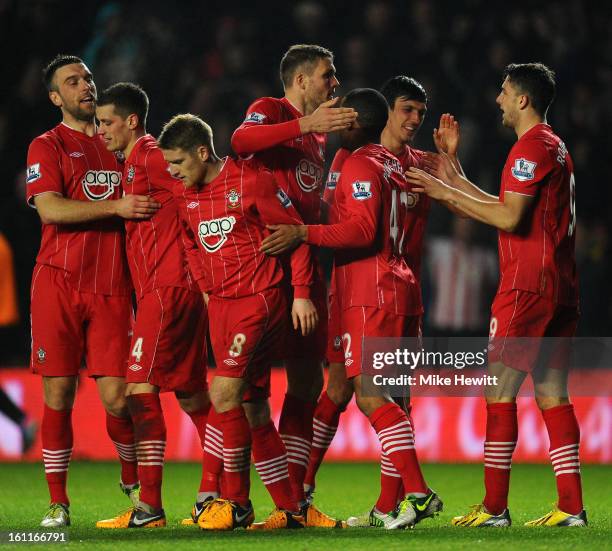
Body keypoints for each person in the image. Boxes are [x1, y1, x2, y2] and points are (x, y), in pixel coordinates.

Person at [406, 62, 586, 527]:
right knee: (551, 394)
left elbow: (508, 220)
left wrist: (441, 190)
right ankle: (571, 508)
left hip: (527, 285)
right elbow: (505, 207)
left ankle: (494, 509)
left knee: (498, 393)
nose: (499, 99)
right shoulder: (553, 146)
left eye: (504, 92)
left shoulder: (530, 147)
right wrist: (454, 175)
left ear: (523, 99)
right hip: (559, 287)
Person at [257, 88, 442, 530]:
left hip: (371, 292)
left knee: (373, 396)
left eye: (341, 118)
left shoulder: (362, 162)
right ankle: (304, 493)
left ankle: (417, 495)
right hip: (381, 290)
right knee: (340, 388)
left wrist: (302, 232)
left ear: (355, 122)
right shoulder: (394, 166)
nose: (333, 123)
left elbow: (360, 230)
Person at [158, 113, 325, 531]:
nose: (174, 173)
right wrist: (204, 287)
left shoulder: (253, 180)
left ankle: (234, 501)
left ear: (201, 152)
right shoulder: (186, 196)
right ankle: (289, 509)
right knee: (251, 407)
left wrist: (301, 294)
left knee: (224, 391)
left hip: (259, 299)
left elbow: (295, 235)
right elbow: (191, 243)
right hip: (221, 305)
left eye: (178, 162)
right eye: (169, 166)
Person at [26, 55, 160, 528]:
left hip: (112, 287)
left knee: (118, 399)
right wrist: (118, 206)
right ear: (55, 97)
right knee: (59, 394)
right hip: (58, 283)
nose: (86, 86)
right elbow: (51, 210)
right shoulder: (46, 146)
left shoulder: (120, 143)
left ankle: (129, 471)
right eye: (72, 82)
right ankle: (58, 504)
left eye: (87, 78)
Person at [231, 44, 356, 527]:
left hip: (305, 268)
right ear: (301, 80)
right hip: (262, 271)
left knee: (306, 382)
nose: (335, 83)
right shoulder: (271, 110)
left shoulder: (319, 143)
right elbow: (241, 142)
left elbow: (306, 207)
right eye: (328, 75)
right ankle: (232, 499)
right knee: (245, 392)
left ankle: (295, 502)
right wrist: (307, 125)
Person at [93, 83, 212, 529]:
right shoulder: (133, 163)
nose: (100, 130)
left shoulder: (149, 154)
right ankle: (214, 492)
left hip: (168, 290)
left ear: (131, 121)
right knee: (193, 396)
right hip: (172, 290)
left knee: (139, 391)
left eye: (106, 123)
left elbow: (195, 184)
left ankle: (150, 507)